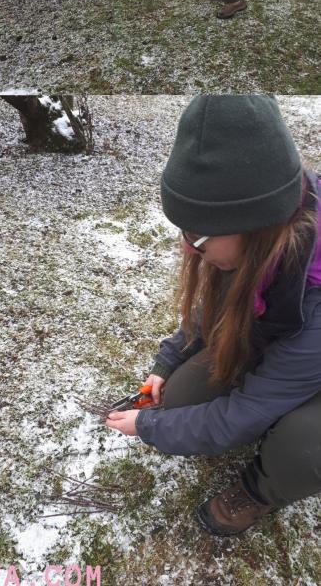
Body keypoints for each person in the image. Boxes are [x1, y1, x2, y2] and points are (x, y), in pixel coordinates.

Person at [106, 94, 321, 537]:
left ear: (257, 226)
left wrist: (146, 427)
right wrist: (166, 363)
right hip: (291, 351)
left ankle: (264, 487)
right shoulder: (266, 232)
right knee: (182, 397)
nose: (188, 248)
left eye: (197, 236)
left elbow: (245, 412)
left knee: (303, 447)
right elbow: (216, 309)